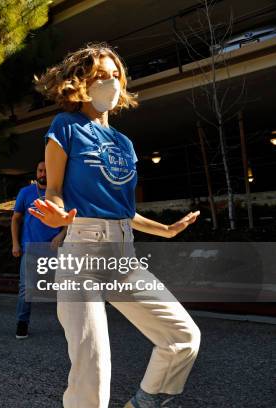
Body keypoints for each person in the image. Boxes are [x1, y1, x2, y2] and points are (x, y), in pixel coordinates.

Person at [30, 43, 201, 408]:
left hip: (123, 255)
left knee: (183, 336)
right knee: (93, 372)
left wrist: (167, 230)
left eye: (114, 75)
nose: (110, 82)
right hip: (82, 253)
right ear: (79, 83)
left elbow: (124, 212)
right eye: (99, 77)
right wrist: (58, 214)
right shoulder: (66, 127)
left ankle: (142, 403)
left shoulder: (124, 143)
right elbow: (56, 190)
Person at [11, 161, 66, 339]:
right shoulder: (26, 192)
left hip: (56, 249)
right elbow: (16, 219)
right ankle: (22, 324)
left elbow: (72, 220)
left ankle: (70, 325)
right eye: (40, 170)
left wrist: (62, 235)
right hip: (31, 248)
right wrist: (15, 244)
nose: (43, 173)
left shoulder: (60, 193)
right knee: (26, 288)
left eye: (46, 170)